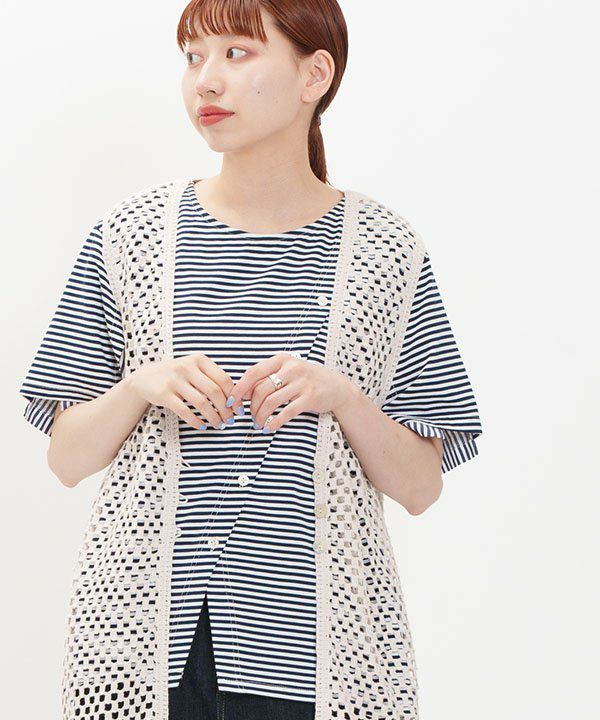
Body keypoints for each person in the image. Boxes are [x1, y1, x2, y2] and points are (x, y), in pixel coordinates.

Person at [18, 2, 483, 719]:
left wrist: (342, 397)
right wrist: (141, 385)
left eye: (236, 53)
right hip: (138, 649)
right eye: (193, 57)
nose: (206, 81)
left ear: (314, 75)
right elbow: (66, 458)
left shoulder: (385, 251)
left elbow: (422, 486)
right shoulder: (129, 237)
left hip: (317, 654)